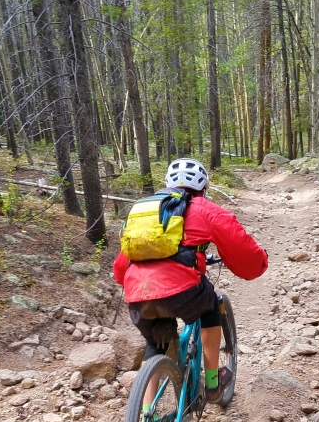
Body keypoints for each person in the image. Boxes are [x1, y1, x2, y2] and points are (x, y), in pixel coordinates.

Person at [113, 158, 268, 404]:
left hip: (137, 293)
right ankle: (213, 385)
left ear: (167, 185)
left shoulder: (146, 214)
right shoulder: (205, 209)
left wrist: (129, 284)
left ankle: (144, 417)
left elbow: (122, 265)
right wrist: (259, 263)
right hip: (182, 290)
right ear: (203, 188)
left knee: (154, 343)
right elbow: (242, 251)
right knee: (209, 307)